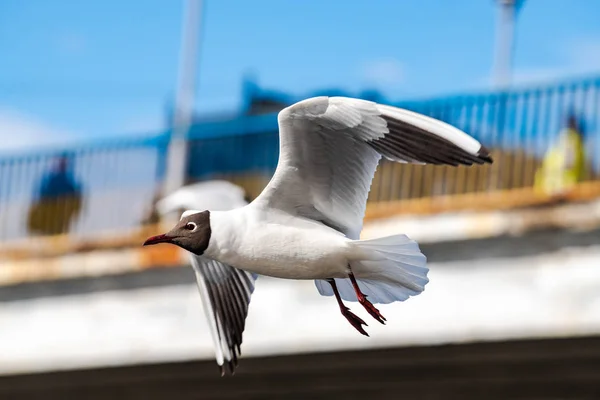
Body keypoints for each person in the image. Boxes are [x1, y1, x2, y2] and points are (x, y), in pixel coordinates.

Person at [27, 155, 83, 236]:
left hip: (53, 219)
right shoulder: (69, 183)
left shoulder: (51, 180)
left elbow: (40, 197)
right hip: (56, 219)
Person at [534, 114, 587, 198]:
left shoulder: (557, 143)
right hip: (565, 189)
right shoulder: (573, 141)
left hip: (547, 189)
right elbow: (569, 163)